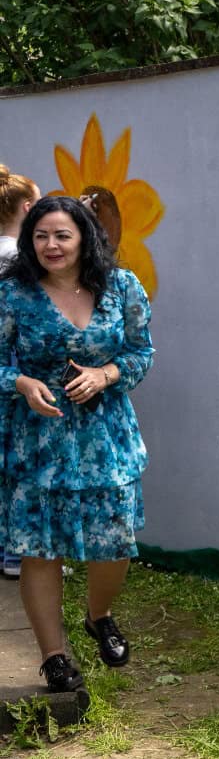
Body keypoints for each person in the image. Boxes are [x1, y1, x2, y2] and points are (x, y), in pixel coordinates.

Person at [0, 195, 154, 693]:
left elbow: (140, 353)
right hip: (36, 441)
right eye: (41, 236)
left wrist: (105, 374)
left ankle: (99, 615)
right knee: (39, 550)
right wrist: (21, 383)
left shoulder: (121, 286)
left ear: (84, 236)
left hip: (106, 437)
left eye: (62, 235)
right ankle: (55, 657)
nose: (51, 245)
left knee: (115, 539)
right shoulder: (13, 295)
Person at [0, 164, 41, 580]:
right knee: (22, 459)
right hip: (15, 367)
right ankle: (18, 556)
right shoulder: (18, 258)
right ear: (28, 207)